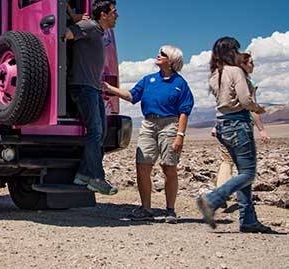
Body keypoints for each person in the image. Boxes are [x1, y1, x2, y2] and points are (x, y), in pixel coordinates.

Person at [103, 45, 194, 223]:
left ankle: (170, 210)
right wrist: (110, 89)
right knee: (142, 165)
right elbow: (131, 96)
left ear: (171, 60)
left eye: (163, 54)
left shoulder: (180, 83)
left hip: (170, 125)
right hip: (148, 124)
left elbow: (184, 111)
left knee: (169, 167)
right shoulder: (148, 80)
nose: (158, 55)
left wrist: (180, 135)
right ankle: (145, 209)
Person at [196, 37, 275, 234]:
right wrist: (259, 108)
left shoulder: (215, 74)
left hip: (223, 124)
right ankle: (211, 200)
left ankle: (248, 220)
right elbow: (245, 99)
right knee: (248, 173)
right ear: (231, 51)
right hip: (238, 124)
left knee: (242, 173)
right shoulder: (235, 71)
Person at [65, 0, 119, 195]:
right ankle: (97, 178)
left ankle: (84, 174)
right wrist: (74, 20)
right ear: (103, 14)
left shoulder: (99, 32)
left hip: (93, 88)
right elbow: (66, 34)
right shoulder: (88, 26)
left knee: (101, 131)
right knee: (95, 131)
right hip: (81, 87)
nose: (117, 15)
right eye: (113, 12)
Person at [213, 52, 270, 189]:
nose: (254, 66)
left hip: (224, 123)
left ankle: (220, 193)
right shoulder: (248, 82)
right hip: (241, 124)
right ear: (242, 65)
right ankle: (236, 198)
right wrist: (261, 129)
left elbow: (223, 105)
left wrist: (216, 125)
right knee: (244, 163)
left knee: (226, 160)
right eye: (251, 63)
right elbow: (250, 106)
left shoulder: (224, 79)